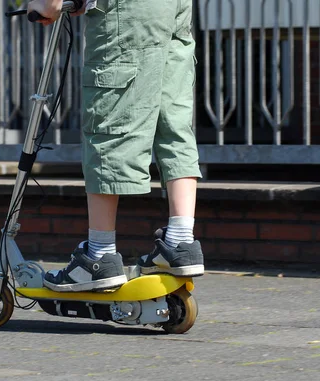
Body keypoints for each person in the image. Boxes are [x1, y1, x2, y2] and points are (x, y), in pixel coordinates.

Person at [27, 0, 204, 292]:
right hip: (173, 7)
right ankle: (181, 241)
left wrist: (48, 4)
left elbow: (51, 3)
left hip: (127, 12)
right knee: (171, 120)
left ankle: (99, 256)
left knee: (109, 125)